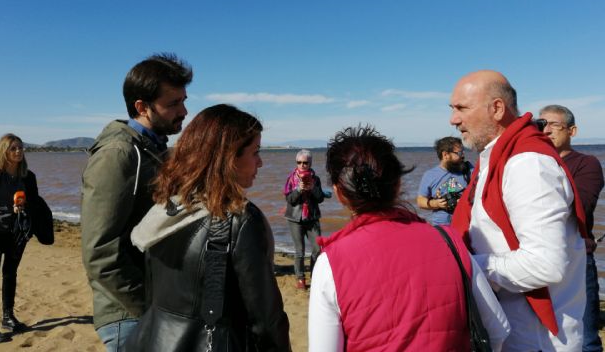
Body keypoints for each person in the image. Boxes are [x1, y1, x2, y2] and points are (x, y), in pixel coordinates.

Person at [308, 125, 510, 351]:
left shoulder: (331, 263)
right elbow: (498, 328)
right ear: (398, 184)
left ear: (339, 193)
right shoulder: (449, 241)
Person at [124, 104, 291, 351]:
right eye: (255, 152)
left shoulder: (166, 208)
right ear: (228, 157)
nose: (261, 162)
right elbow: (266, 320)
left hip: (150, 339)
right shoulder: (240, 220)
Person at [450, 70, 588, 351]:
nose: (454, 119)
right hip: (513, 333)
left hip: (535, 340)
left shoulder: (528, 164)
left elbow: (545, 265)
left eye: (462, 108)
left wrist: (464, 265)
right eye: (452, 109)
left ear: (497, 108)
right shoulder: (496, 157)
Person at [81, 53, 192, 351]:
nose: (184, 110)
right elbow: (99, 251)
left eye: (183, 100)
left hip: (152, 308)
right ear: (141, 107)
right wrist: (148, 308)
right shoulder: (119, 155)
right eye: (173, 104)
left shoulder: (152, 150)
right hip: (128, 316)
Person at [539, 105, 605, 352]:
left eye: (554, 125)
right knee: (538, 336)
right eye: (541, 124)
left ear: (572, 130)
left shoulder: (587, 164)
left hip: (577, 258)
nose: (546, 130)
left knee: (585, 338)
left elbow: (579, 207)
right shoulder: (530, 163)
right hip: (536, 257)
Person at [0, 134, 52, 343]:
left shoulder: (27, 176)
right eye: (13, 148)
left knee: (10, 274)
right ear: (3, 150)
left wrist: (22, 208)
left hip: (16, 233)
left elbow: (35, 203)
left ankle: (8, 317)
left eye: (21, 148)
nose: (18, 151)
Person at [283, 149, 325, 289]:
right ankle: (300, 278)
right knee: (299, 251)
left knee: (317, 249)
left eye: (305, 163)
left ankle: (315, 277)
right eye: (299, 162)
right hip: (295, 218)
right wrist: (298, 190)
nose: (302, 165)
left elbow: (320, 198)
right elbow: (290, 200)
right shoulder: (291, 178)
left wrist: (313, 188)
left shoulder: (316, 179)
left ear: (310, 163)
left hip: (312, 218)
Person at [416, 136, 472, 225]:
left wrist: (464, 200)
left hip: (466, 224)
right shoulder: (430, 175)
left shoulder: (468, 169)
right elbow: (420, 201)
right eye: (459, 153)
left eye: (463, 152)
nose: (463, 155)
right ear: (445, 155)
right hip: (442, 226)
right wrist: (436, 204)